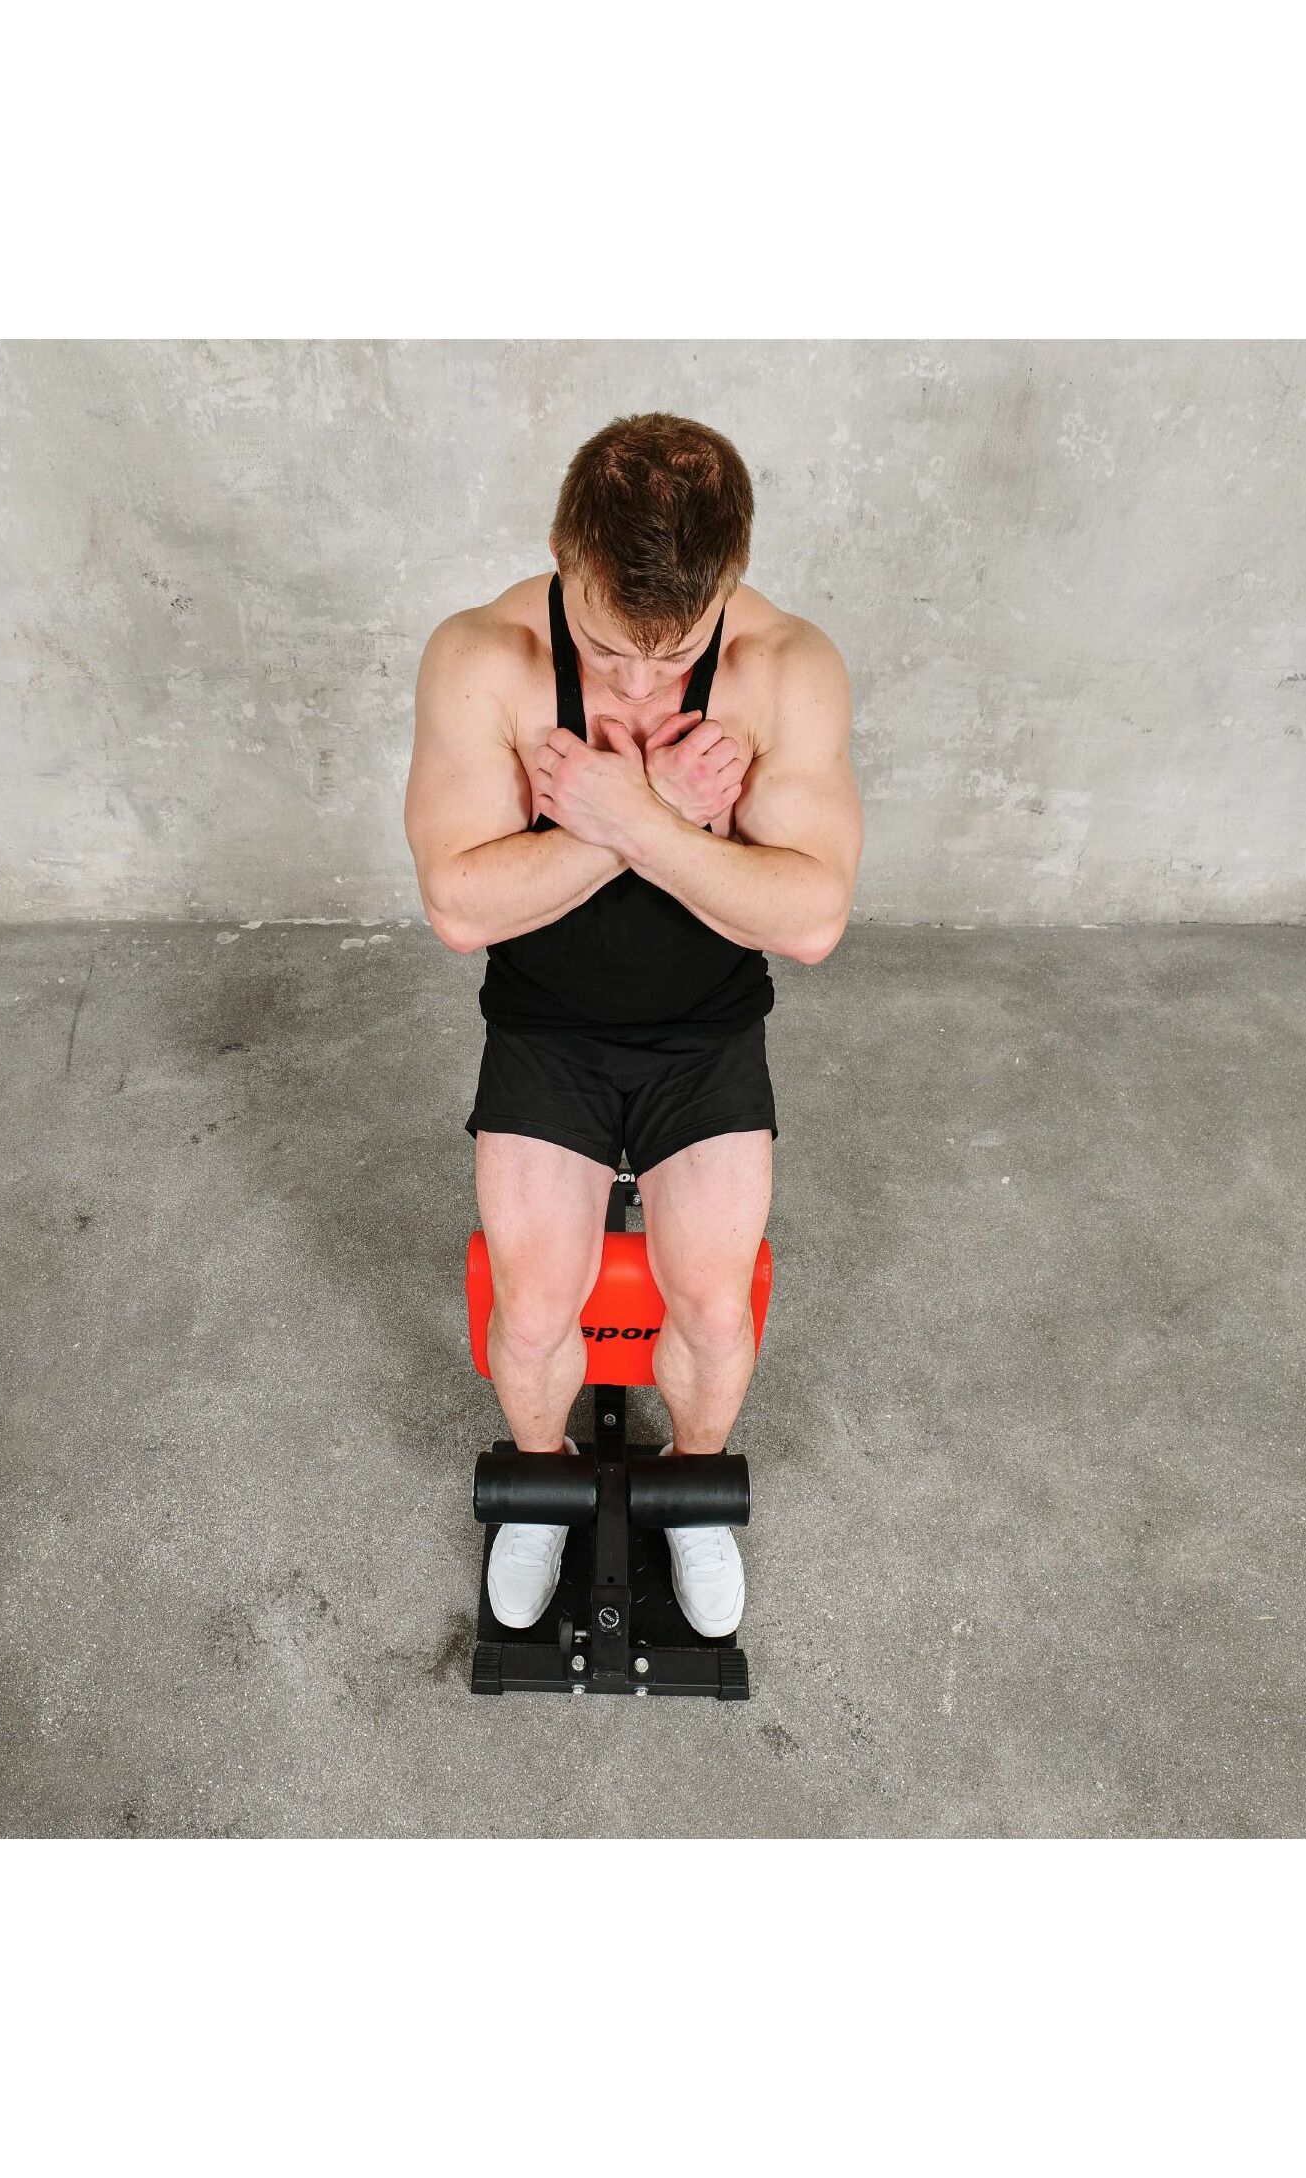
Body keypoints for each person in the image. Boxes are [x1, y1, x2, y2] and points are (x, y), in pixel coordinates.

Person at [404, 412, 862, 1638]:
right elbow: (460, 905)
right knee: (532, 1305)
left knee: (710, 1305)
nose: (644, 685)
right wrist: (666, 816)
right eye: (609, 652)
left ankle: (692, 1488)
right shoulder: (482, 658)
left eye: (678, 657)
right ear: (562, 559)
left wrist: (626, 816)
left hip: (706, 1035)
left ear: (729, 586)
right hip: (543, 1028)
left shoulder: (786, 666)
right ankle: (540, 1480)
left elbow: (811, 919)